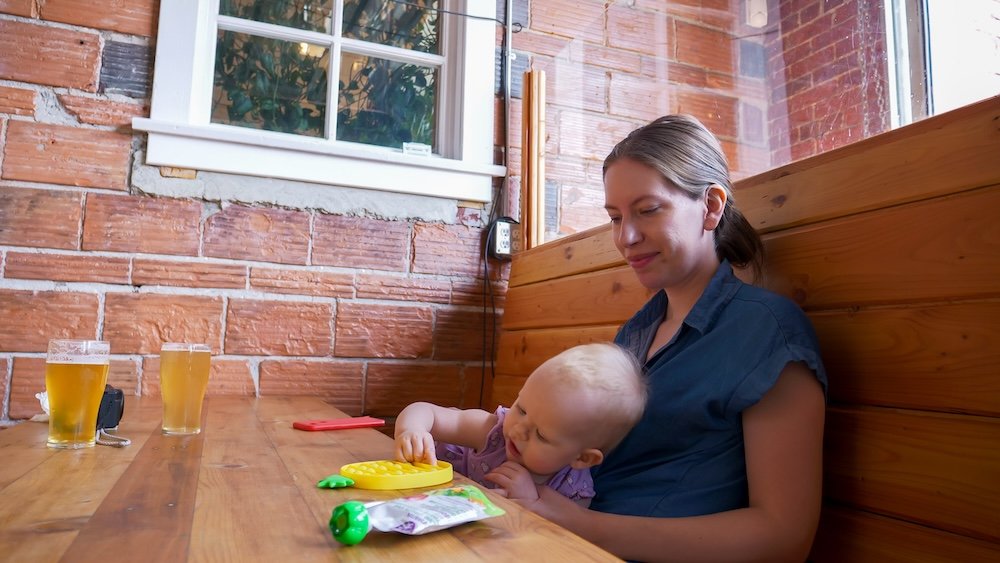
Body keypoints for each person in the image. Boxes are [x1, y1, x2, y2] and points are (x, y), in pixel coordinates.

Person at [511, 115, 828, 562]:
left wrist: (577, 523)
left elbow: (784, 538)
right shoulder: (637, 333)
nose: (627, 237)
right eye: (616, 217)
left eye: (648, 210)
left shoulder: (766, 332)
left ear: (712, 206)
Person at [394, 342, 647, 506]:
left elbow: (555, 546)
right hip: (417, 495)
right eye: (522, 409)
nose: (517, 430)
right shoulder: (492, 432)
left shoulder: (573, 493)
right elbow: (427, 411)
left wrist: (530, 504)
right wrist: (412, 430)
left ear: (582, 459)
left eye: (541, 435)